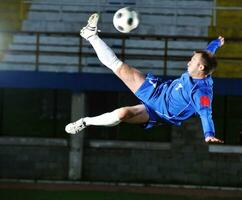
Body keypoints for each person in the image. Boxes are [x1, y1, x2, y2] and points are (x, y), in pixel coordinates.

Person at [65, 13, 224, 143]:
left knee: (122, 114)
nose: (189, 62)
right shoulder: (202, 66)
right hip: (158, 91)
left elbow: (205, 113)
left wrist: (209, 133)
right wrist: (216, 43)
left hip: (159, 113)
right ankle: (90, 35)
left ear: (201, 68)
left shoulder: (202, 92)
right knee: (119, 67)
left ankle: (85, 122)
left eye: (193, 61)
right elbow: (208, 54)